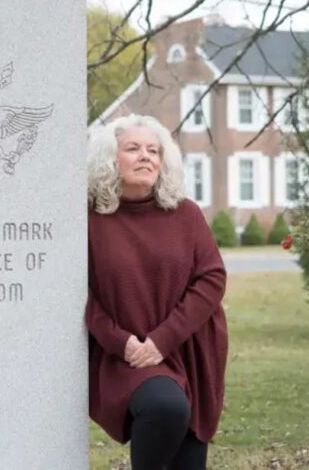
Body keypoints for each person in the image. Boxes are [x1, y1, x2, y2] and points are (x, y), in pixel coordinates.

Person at [86, 114, 228, 470]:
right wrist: (123, 343)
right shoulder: (89, 220)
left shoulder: (186, 214)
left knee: (188, 461)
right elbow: (83, 296)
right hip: (126, 355)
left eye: (153, 150)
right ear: (110, 158)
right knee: (165, 406)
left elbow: (211, 279)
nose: (145, 156)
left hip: (188, 348)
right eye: (132, 148)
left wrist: (163, 340)